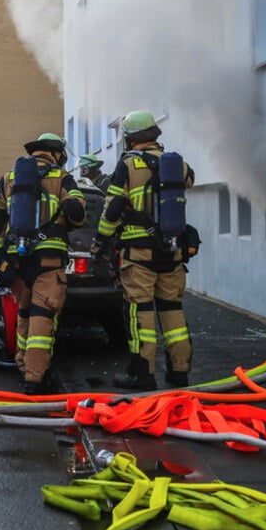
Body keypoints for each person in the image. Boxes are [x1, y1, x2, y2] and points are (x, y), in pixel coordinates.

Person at [91, 110, 196, 391]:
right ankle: (180, 371)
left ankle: (142, 374)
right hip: (172, 252)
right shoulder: (177, 163)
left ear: (129, 138)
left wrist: (100, 242)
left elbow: (112, 208)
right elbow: (190, 181)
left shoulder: (128, 165)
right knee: (173, 312)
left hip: (139, 256)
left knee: (141, 313)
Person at [0, 133, 86, 395]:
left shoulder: (10, 178)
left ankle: (23, 364)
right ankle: (34, 379)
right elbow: (77, 214)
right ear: (55, 154)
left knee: (24, 313)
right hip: (48, 262)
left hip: (17, 262)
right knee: (42, 320)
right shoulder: (61, 177)